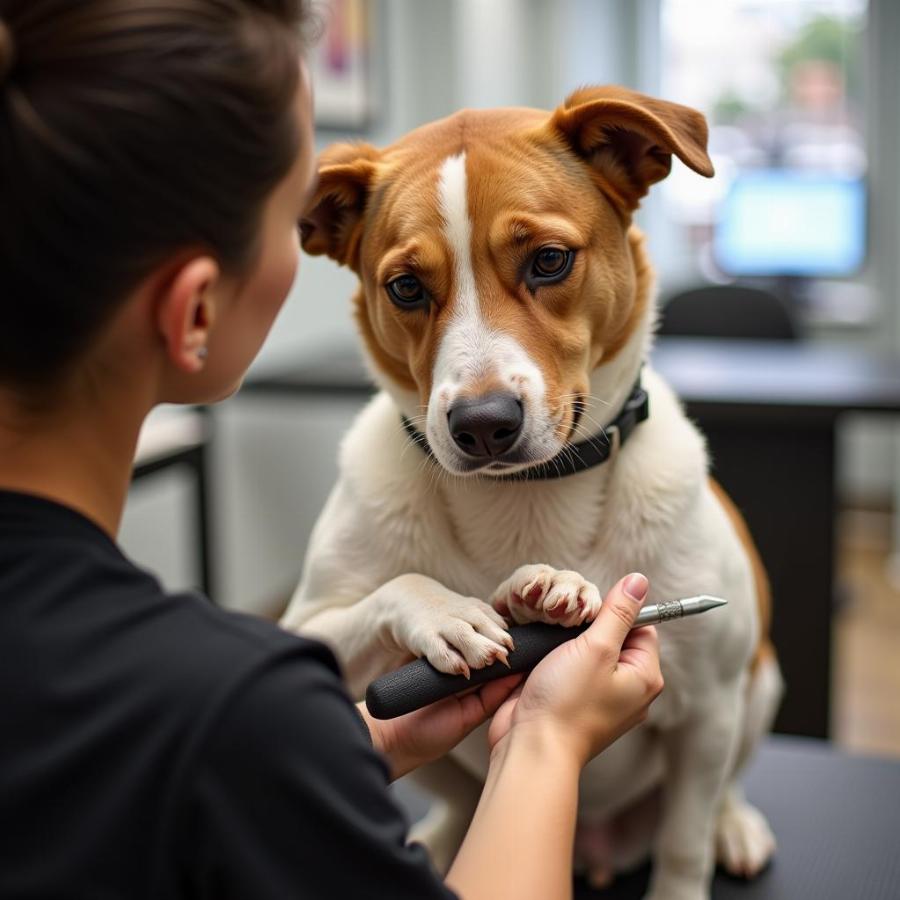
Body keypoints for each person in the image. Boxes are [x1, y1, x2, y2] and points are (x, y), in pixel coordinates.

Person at [0, 2, 664, 898]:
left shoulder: (228, 723)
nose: (308, 248)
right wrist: (546, 742)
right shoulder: (230, 718)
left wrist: (341, 748)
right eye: (292, 220)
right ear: (195, 309)